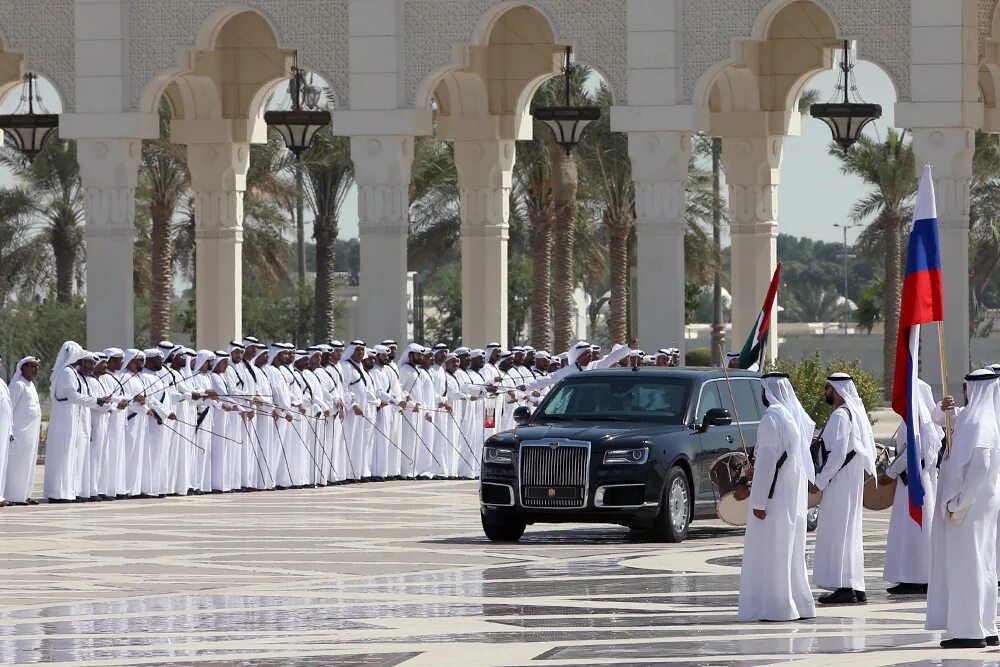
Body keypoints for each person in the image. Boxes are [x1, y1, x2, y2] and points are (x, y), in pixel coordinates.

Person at [927, 369, 1000, 649]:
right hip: (976, 504)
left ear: (975, 388)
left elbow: (980, 466)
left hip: (970, 506)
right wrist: (941, 408)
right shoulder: (975, 417)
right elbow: (942, 420)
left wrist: (959, 502)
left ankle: (969, 632)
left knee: (968, 564)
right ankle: (985, 625)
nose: (964, 392)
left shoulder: (981, 420)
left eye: (967, 387)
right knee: (982, 563)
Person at [738, 372, 816, 622]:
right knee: (788, 550)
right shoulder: (790, 417)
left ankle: (776, 607)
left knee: (771, 550)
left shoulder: (772, 418)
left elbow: (768, 463)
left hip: (774, 497)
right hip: (789, 495)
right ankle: (798, 604)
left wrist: (759, 501)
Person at [809, 373, 876, 604]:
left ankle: (845, 588)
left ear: (837, 390)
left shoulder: (840, 416)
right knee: (849, 533)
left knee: (839, 533)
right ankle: (854, 586)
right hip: (849, 481)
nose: (826, 393)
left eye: (828, 389)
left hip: (839, 482)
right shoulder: (854, 414)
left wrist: (819, 481)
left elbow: (837, 455)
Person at [881, 378, 941, 595]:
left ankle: (917, 577)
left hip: (913, 481)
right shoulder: (916, 418)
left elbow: (913, 451)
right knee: (911, 530)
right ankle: (914, 576)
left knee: (915, 529)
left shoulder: (916, 418)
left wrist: (890, 472)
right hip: (915, 480)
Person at [44, 343, 107, 502]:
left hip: (76, 420)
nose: (91, 365)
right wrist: (96, 401)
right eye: (88, 361)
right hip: (65, 419)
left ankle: (71, 491)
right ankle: (59, 494)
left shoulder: (77, 375)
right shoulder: (66, 372)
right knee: (64, 455)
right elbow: (72, 396)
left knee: (75, 456)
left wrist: (99, 401)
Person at [6, 356, 41, 505]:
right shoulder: (18, 384)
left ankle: (25, 494)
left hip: (31, 433)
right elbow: (9, 409)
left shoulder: (30, 385)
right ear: (23, 367)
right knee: (17, 465)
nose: (35, 369)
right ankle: (14, 496)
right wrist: (9, 430)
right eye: (32, 366)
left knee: (29, 464)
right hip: (19, 432)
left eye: (37, 366)